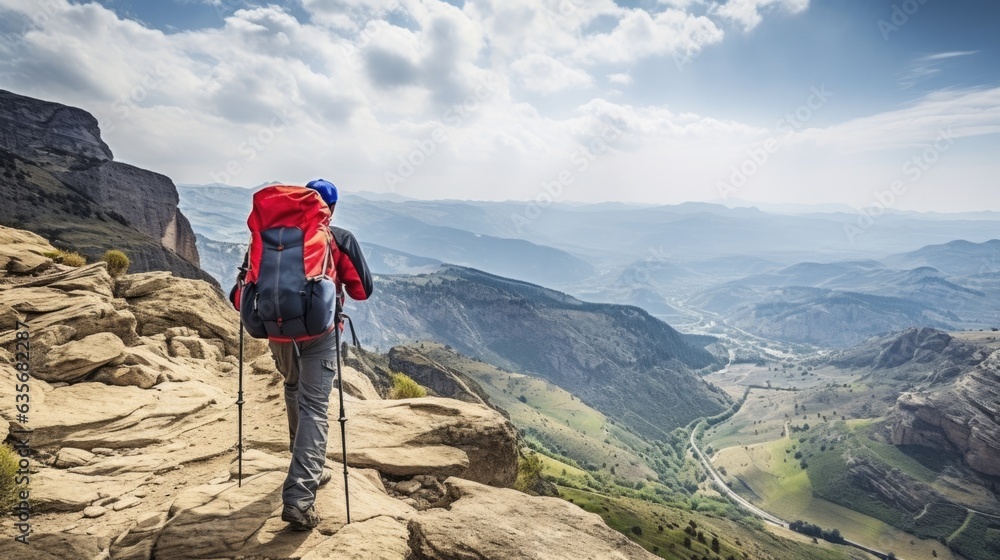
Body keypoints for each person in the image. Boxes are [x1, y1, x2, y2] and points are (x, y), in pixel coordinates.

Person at [231, 179, 373, 530]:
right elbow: (362, 290)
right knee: (315, 408)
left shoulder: (264, 240)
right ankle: (300, 495)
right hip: (320, 335)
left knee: (293, 389)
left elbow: (239, 296)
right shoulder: (338, 238)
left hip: (277, 333)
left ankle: (301, 460)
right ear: (330, 208)